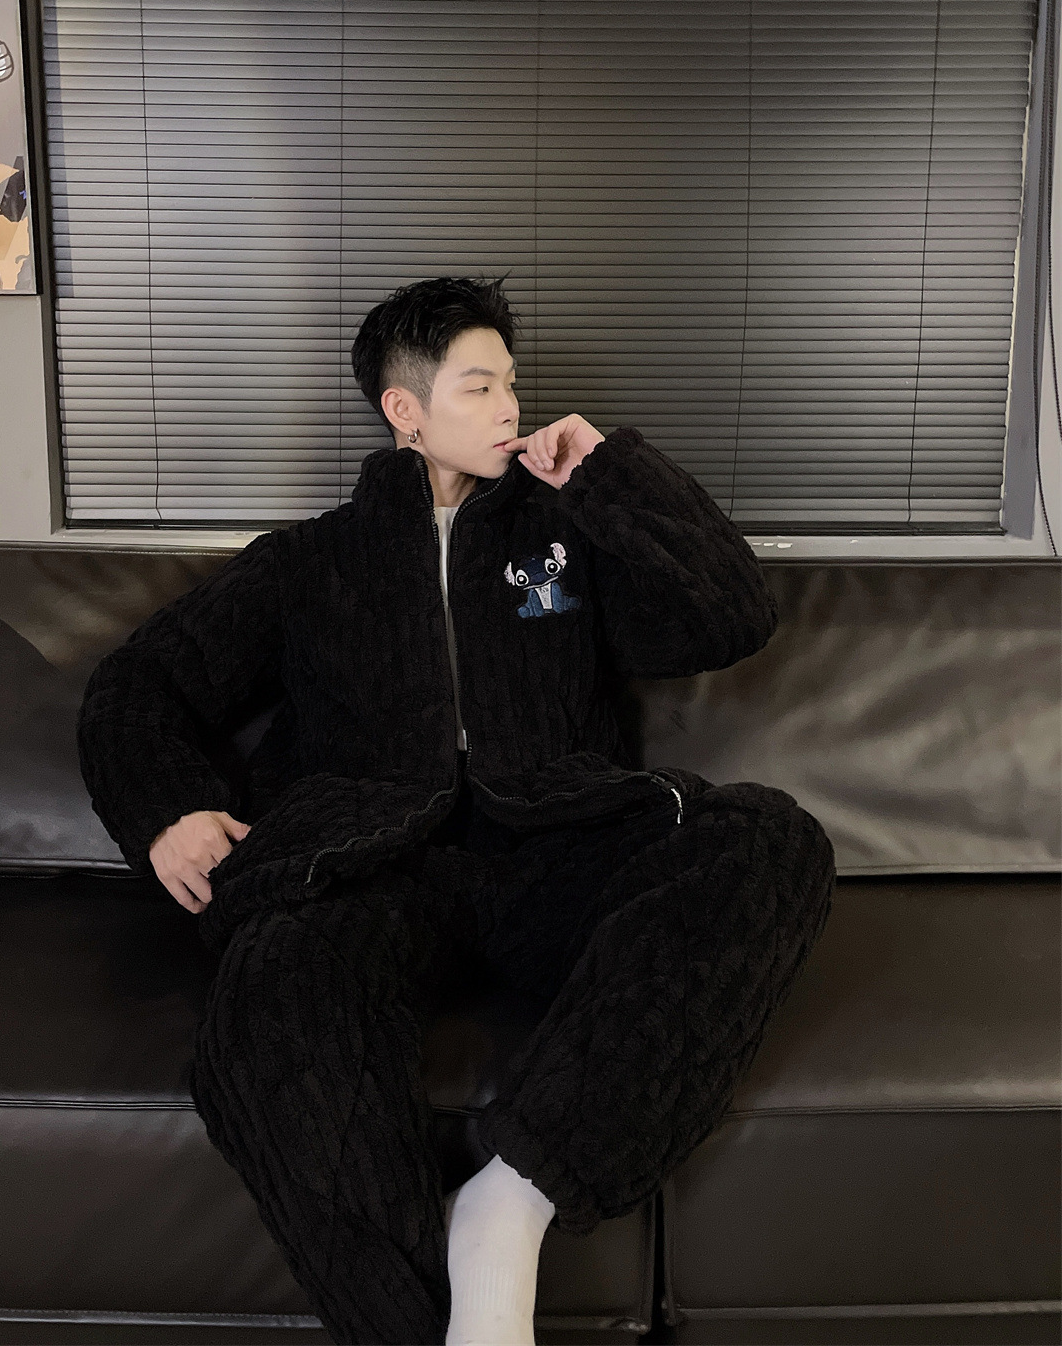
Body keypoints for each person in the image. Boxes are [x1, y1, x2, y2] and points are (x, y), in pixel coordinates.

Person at [76, 275, 836, 1346]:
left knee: (771, 839)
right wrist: (171, 812)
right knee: (272, 987)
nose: (509, 408)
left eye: (512, 385)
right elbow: (138, 685)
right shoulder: (308, 563)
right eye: (479, 387)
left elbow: (732, 616)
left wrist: (611, 475)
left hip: (556, 845)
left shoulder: (563, 536)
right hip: (370, 867)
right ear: (405, 409)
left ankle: (509, 1202)